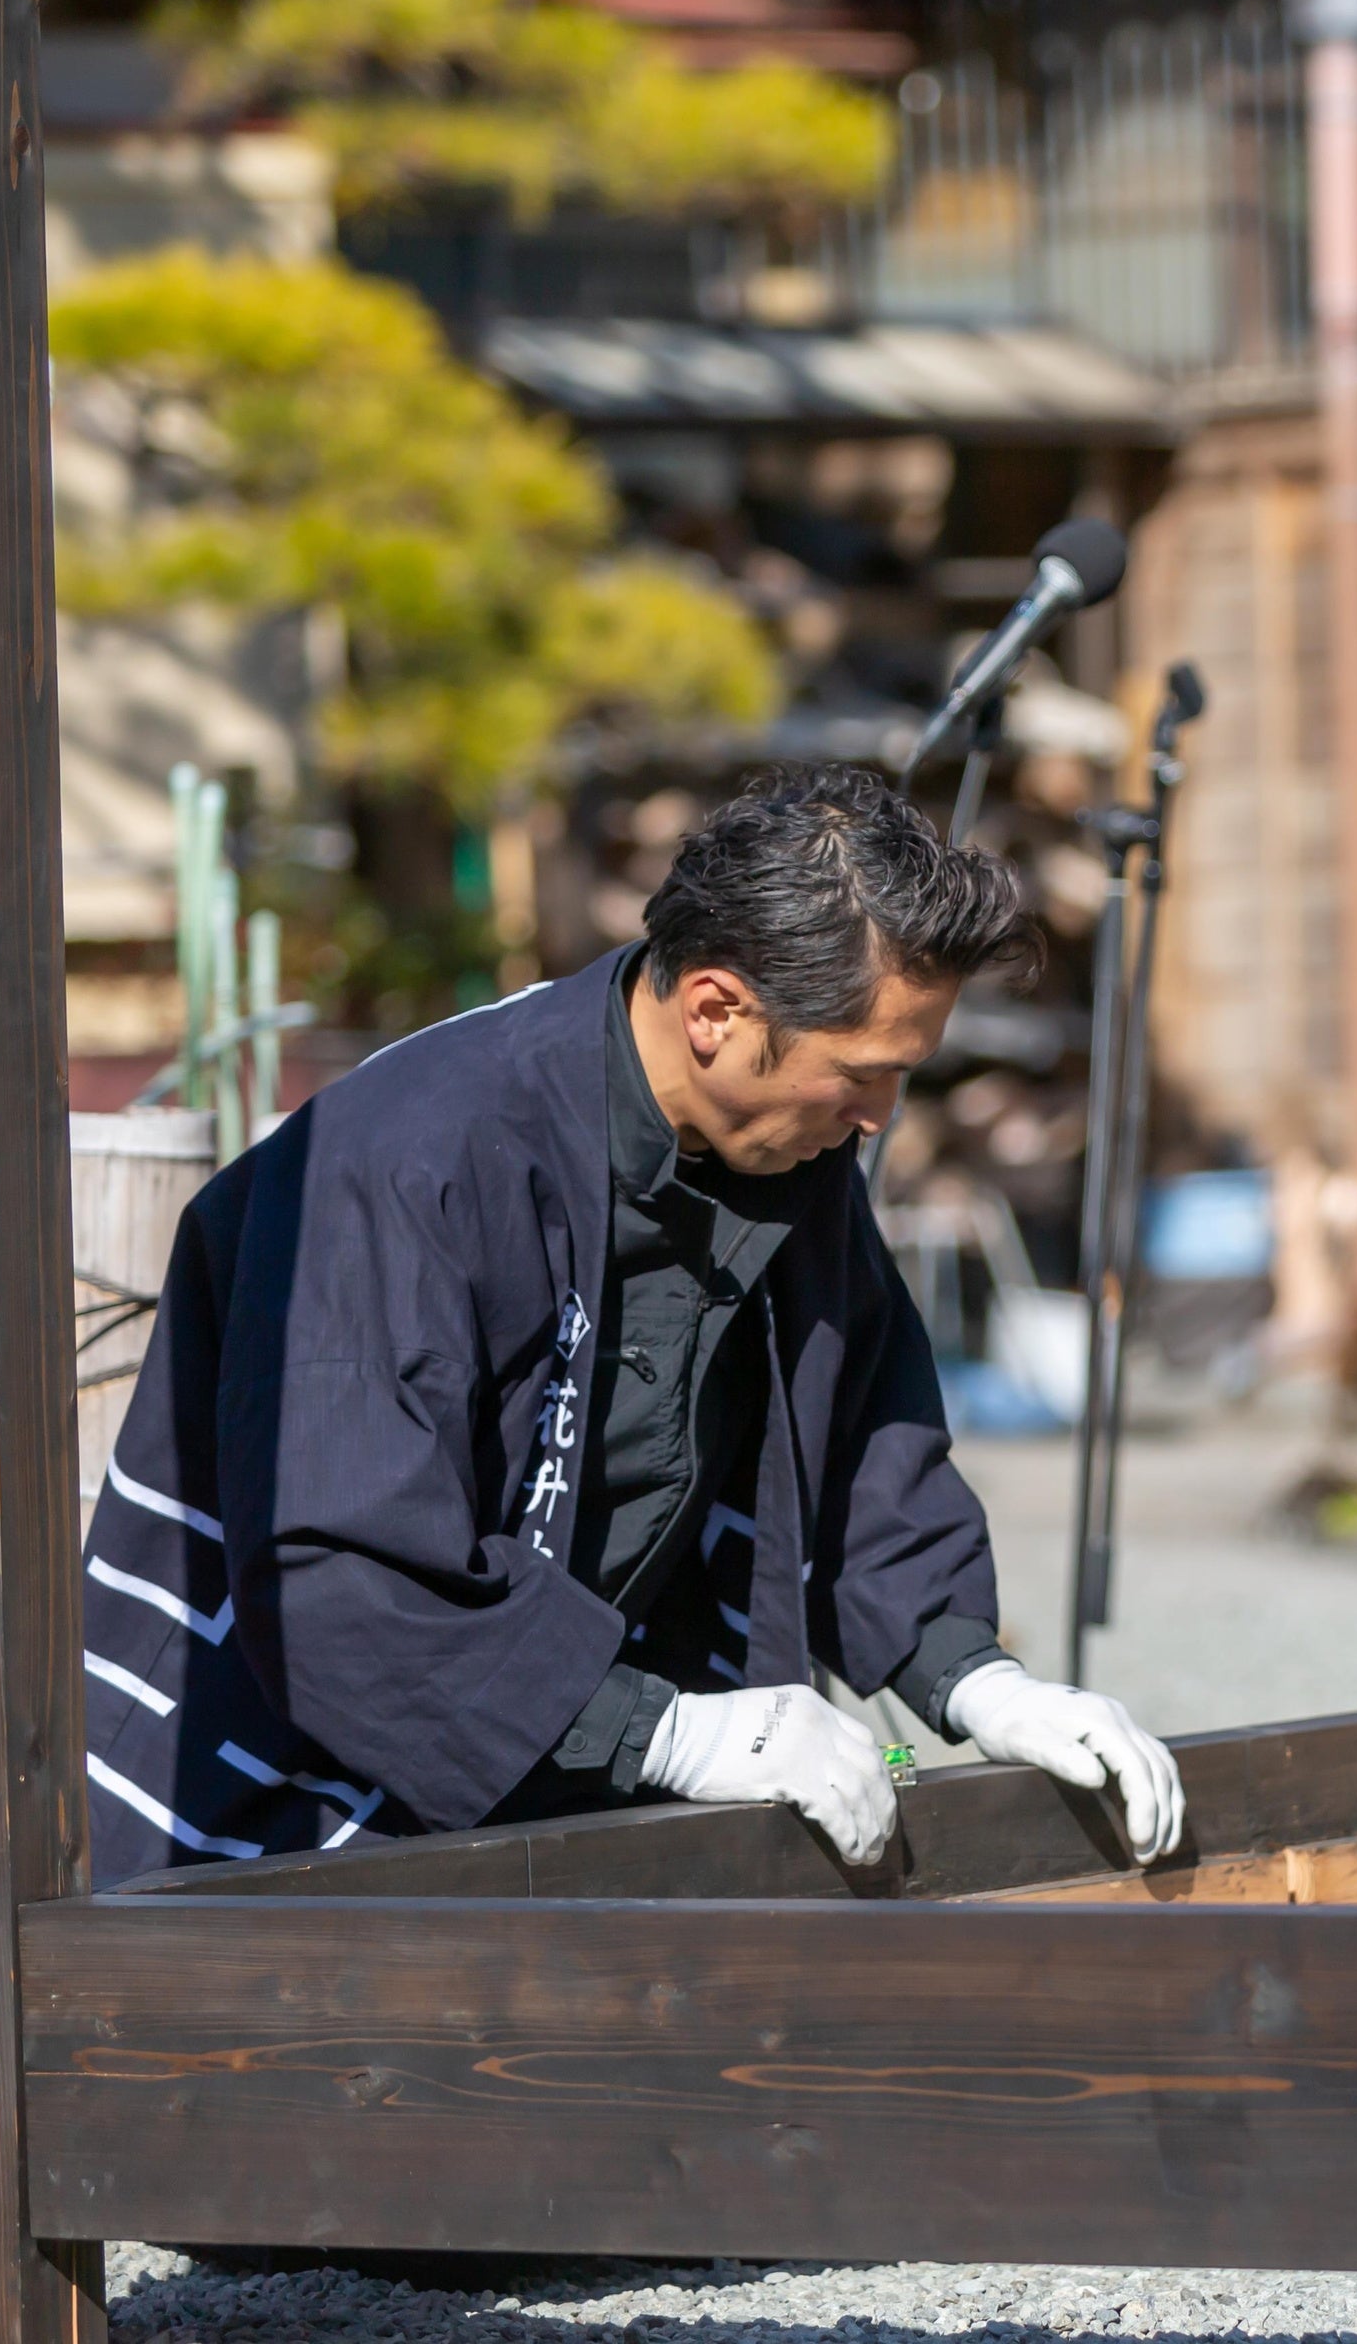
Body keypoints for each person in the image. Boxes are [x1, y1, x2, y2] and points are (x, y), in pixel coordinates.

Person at [79, 765, 1180, 1882]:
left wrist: (972, 1674)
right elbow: (342, 1576)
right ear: (715, 1011)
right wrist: (668, 1731)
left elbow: (858, 1437)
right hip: (261, 1806)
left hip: (553, 1770)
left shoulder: (786, 1147)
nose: (880, 1117)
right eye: (863, 1074)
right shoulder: (410, 1159)